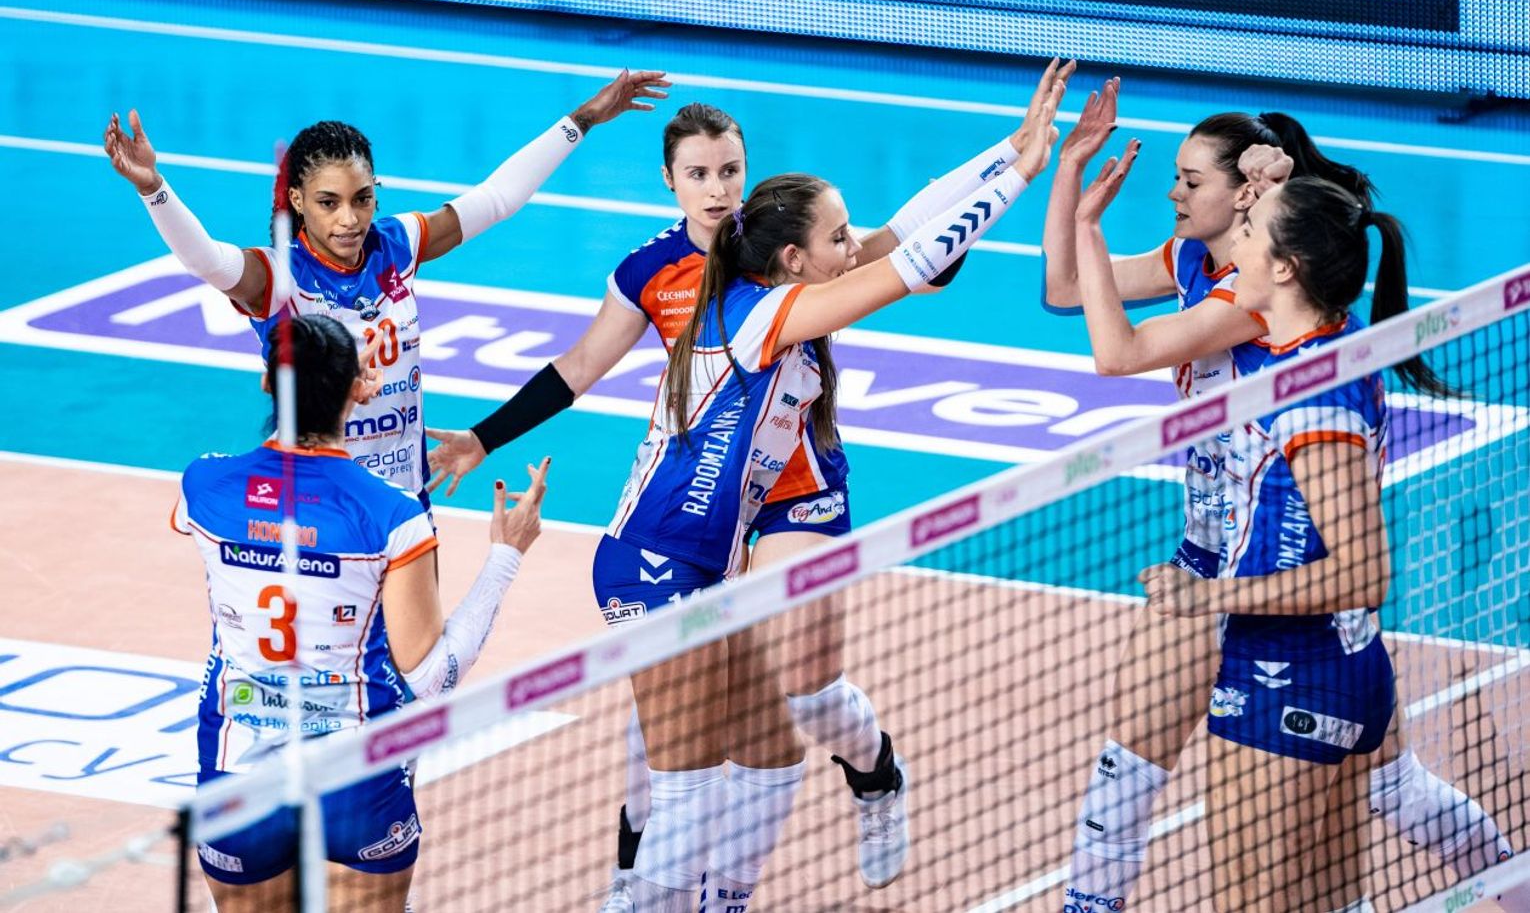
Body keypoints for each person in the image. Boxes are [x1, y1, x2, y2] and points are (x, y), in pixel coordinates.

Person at [425, 91, 1060, 905]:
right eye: (699, 173)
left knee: (783, 722)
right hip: (672, 545)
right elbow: (900, 267)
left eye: (730, 170)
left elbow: (901, 241)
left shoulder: (776, 255)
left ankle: (855, 786)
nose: (718, 187)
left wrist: (1007, 155)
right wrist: (1020, 175)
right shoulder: (742, 297)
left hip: (769, 501)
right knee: (678, 755)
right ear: (670, 180)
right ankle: (637, 884)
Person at [1048, 88, 1520, 912]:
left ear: (1251, 208)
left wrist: (1095, 220)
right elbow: (1066, 289)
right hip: (1215, 558)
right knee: (1127, 774)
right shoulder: (1204, 263)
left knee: (1379, 798)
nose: (1173, 191)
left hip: (1289, 610)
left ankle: (1511, 880)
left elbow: (1117, 351)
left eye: (1192, 179)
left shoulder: (1257, 314)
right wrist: (1072, 178)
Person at [104, 68, 667, 502]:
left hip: (404, 497)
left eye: (362, 199)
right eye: (328, 203)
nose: (349, 219)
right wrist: (153, 187)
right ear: (298, 201)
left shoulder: (397, 244)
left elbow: (497, 199)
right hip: (322, 498)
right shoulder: (276, 278)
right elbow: (205, 260)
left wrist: (582, 119)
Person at [172, 313, 549, 912]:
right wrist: (506, 555)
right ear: (361, 388)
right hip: (355, 777)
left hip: (237, 767)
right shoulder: (391, 515)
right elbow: (431, 676)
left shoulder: (204, 484)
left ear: (267, 382)